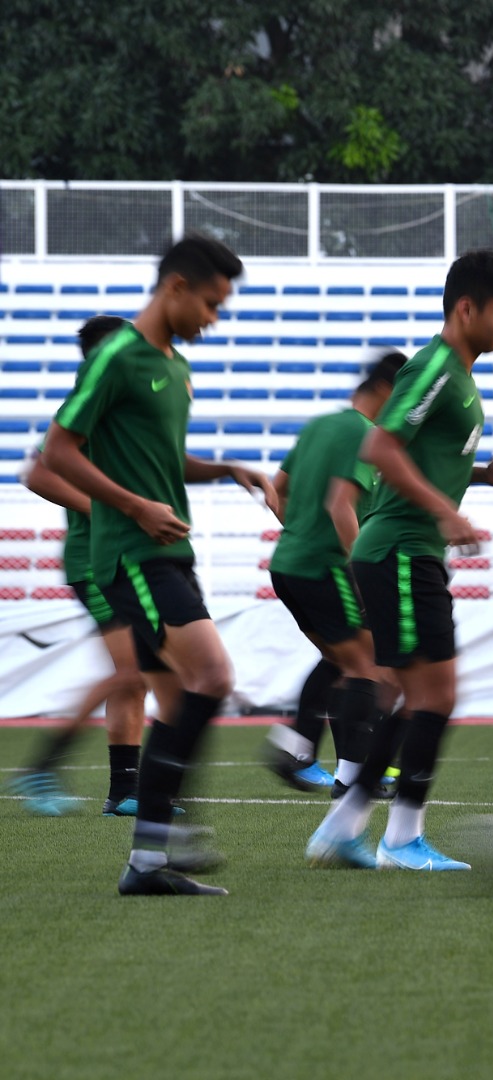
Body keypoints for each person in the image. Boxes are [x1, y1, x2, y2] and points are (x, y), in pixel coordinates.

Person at [45, 234, 279, 896]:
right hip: (130, 554)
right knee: (212, 675)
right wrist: (133, 507)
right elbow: (58, 451)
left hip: (170, 553)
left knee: (182, 695)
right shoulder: (117, 354)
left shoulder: (175, 367)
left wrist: (226, 469)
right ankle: (162, 835)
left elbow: (165, 462)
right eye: (210, 303)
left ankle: (150, 856)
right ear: (174, 287)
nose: (214, 318)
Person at [305, 250, 493, 871]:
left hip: (406, 551)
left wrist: (483, 477)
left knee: (421, 695)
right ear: (466, 308)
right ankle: (398, 839)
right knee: (435, 695)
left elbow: (423, 461)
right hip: (400, 550)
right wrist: (445, 513)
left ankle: (346, 826)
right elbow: (381, 446)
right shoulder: (435, 367)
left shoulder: (458, 376)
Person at [9, 316, 148, 817]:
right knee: (134, 669)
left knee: (135, 675)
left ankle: (124, 791)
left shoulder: (114, 408)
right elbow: (37, 473)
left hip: (118, 557)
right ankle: (43, 768)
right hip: (93, 561)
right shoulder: (86, 402)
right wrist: (107, 510)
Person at [263, 352, 406, 796]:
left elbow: (275, 492)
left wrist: (300, 532)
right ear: (386, 389)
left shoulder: (319, 425)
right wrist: (361, 573)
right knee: (372, 667)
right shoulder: (365, 434)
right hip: (327, 567)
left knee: (342, 663)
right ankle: (322, 764)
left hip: (288, 565)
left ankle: (309, 754)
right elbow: (340, 505)